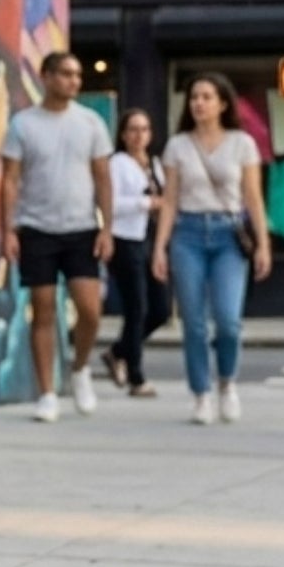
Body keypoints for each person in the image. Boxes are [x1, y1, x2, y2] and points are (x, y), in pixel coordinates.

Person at [0, 52, 114, 424]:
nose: (73, 81)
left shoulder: (91, 122)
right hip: (36, 228)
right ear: (46, 76)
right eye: (65, 74)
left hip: (81, 228)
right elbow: (10, 180)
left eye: (77, 74)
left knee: (90, 311)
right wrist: (8, 230)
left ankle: (79, 368)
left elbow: (103, 177)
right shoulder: (23, 124)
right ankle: (47, 393)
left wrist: (107, 228)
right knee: (43, 309)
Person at [153, 73, 271, 425]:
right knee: (193, 323)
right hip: (187, 233)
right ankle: (201, 393)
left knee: (228, 320)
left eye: (207, 97)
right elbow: (170, 200)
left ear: (222, 104)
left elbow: (253, 198)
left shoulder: (241, 143)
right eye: (194, 97)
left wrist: (263, 245)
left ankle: (227, 383)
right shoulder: (178, 146)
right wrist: (160, 247)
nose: (199, 103)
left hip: (228, 234)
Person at [103, 107, 169, 397]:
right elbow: (111, 203)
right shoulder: (117, 164)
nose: (138, 136)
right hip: (125, 239)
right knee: (136, 307)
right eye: (133, 129)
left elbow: (167, 199)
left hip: (151, 240)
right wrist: (145, 203)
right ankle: (136, 376)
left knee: (160, 309)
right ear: (123, 134)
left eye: (144, 129)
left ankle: (119, 351)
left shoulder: (154, 164)